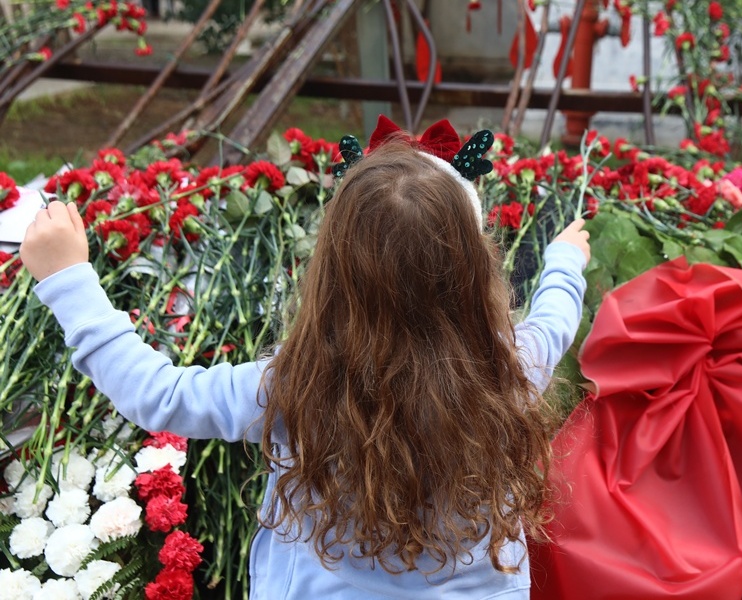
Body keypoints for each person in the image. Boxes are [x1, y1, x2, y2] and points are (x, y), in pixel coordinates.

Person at [19, 136, 590, 599]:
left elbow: (159, 394)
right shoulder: (507, 369)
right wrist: (564, 261)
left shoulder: (296, 389)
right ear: (471, 267)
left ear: (332, 271)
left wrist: (69, 281)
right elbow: (554, 323)